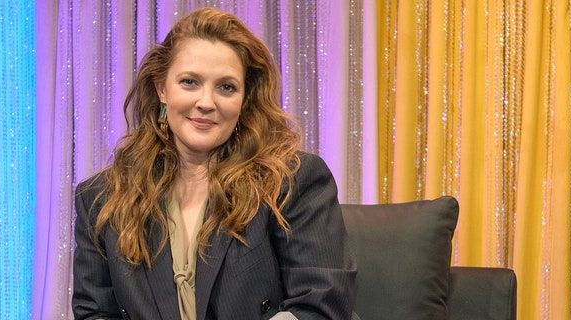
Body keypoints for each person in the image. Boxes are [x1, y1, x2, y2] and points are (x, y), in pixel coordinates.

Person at [72, 7, 358, 320]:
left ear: (244, 99)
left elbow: (320, 306)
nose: (206, 102)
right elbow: (95, 313)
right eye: (190, 82)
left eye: (226, 87)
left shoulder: (293, 181)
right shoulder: (101, 198)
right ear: (161, 89)